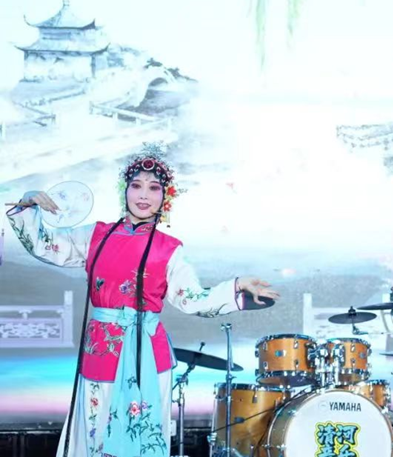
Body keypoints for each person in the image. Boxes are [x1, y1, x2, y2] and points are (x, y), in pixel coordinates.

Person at [5, 143, 279, 457]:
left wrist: (237, 288)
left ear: (166, 197)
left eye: (154, 187)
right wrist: (29, 203)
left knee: (142, 436)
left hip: (148, 353)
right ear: (124, 191)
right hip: (102, 348)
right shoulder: (96, 236)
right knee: (93, 431)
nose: (144, 195)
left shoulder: (169, 248)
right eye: (136, 186)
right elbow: (45, 245)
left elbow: (191, 299)